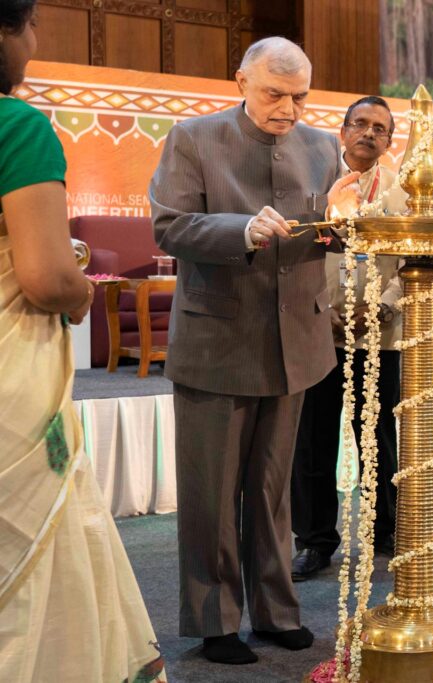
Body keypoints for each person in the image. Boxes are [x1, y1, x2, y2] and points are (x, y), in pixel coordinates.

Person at [149, 37, 360, 664]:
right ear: (240, 80)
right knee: (212, 493)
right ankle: (214, 619)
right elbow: (169, 225)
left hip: (296, 341)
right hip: (217, 338)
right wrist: (239, 230)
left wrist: (349, 224)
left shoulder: (324, 147)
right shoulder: (192, 138)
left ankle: (275, 611)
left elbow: (329, 234)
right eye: (274, 94)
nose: (289, 109)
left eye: (300, 97)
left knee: (272, 491)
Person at [0, 3, 165, 680]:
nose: (35, 44)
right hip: (10, 381)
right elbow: (43, 277)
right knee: (28, 553)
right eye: (30, 27)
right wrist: (80, 289)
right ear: (5, 34)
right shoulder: (16, 124)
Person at [291, 96, 404, 581]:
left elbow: (415, 263)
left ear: (389, 140)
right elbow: (296, 252)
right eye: (360, 124)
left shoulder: (401, 193)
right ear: (342, 131)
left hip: (380, 338)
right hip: (317, 333)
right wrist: (323, 313)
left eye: (380, 128)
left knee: (377, 440)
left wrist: (379, 307)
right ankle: (315, 541)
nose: (369, 134)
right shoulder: (312, 186)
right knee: (311, 442)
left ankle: (384, 531)